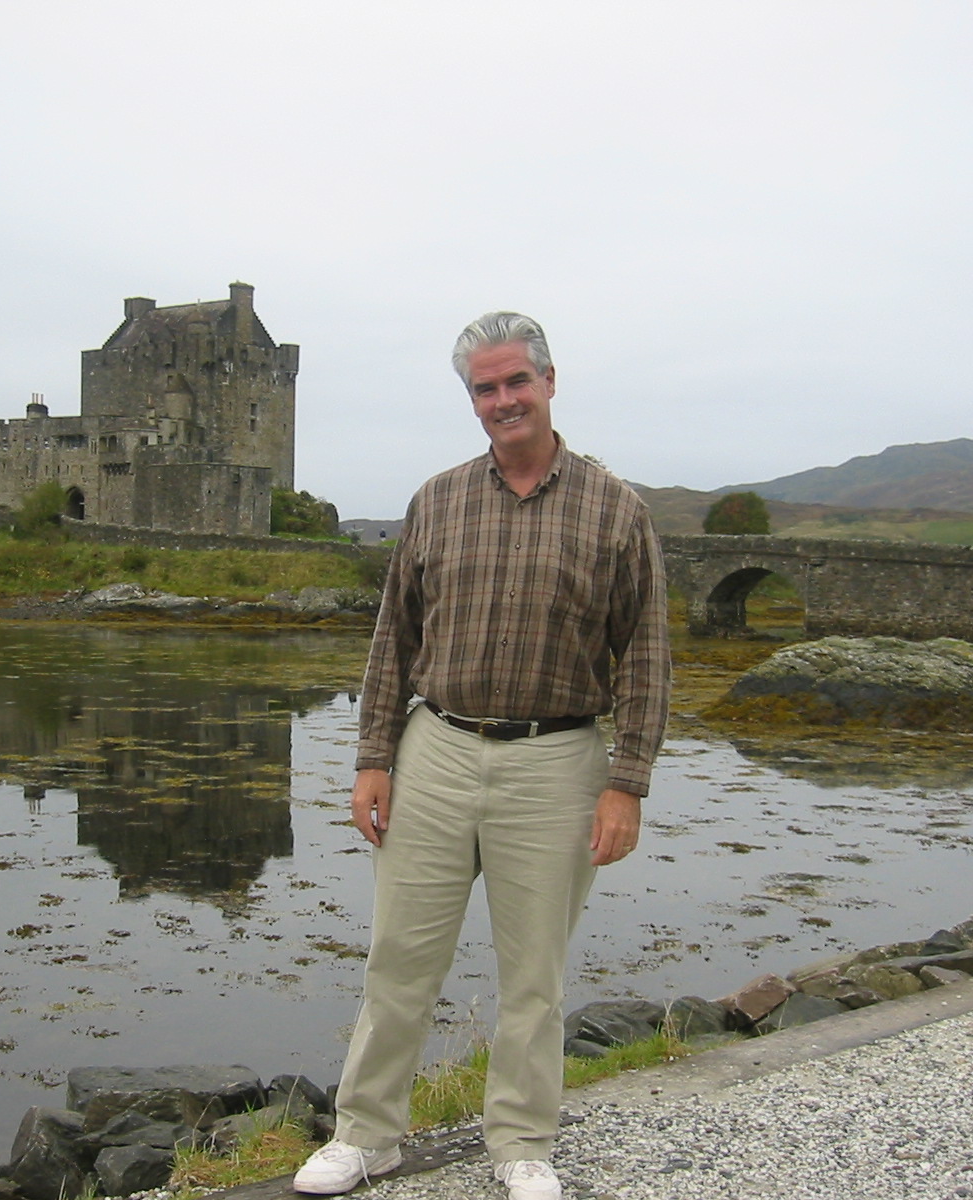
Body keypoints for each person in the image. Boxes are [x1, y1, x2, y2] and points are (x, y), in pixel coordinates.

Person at [293, 312, 671, 1200]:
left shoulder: (616, 509)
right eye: (485, 388)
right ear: (472, 399)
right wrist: (373, 758)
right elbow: (394, 640)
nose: (503, 400)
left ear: (549, 382)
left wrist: (627, 784)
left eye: (516, 382)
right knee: (399, 958)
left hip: (557, 760)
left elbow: (647, 654)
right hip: (435, 750)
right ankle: (367, 1136)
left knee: (534, 973)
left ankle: (522, 1143)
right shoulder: (437, 500)